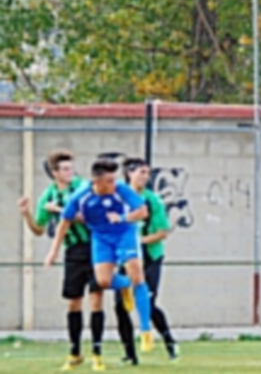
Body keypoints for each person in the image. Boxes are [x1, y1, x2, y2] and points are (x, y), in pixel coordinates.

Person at [45, 159, 156, 355]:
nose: (115, 184)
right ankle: (125, 286)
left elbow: (142, 212)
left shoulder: (121, 190)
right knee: (103, 281)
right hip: (101, 238)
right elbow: (65, 222)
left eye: (115, 179)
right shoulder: (81, 197)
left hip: (124, 234)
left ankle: (146, 331)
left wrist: (122, 218)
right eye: (109, 181)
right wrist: (53, 251)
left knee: (138, 276)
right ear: (97, 181)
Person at [18, 150, 106, 371]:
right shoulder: (48, 195)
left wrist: (59, 210)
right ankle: (75, 352)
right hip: (73, 251)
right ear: (54, 173)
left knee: (96, 299)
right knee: (73, 301)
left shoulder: (84, 188)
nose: (70, 172)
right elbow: (38, 229)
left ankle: (97, 353)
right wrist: (26, 214)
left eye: (71, 167)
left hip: (96, 247)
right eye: (65, 169)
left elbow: (87, 218)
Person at [116, 158, 179, 364]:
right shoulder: (118, 197)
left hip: (150, 254)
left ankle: (169, 340)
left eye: (147, 173)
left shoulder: (152, 200)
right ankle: (129, 353)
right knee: (121, 306)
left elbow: (162, 231)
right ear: (129, 174)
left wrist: (140, 240)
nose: (145, 176)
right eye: (141, 172)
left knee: (148, 302)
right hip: (124, 255)